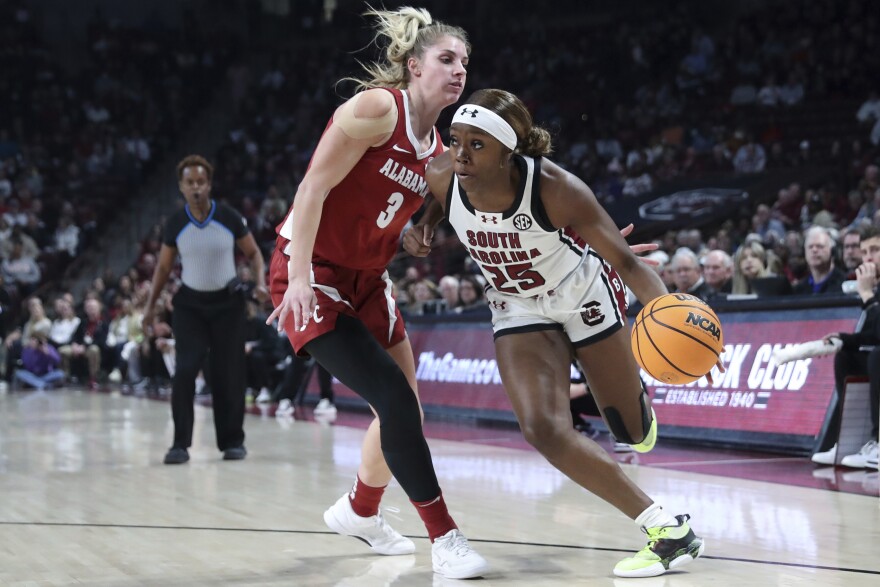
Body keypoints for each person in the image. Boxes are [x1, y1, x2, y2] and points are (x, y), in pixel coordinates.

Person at [406, 89, 710, 578]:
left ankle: (635, 402)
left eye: (476, 145)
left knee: (631, 433)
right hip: (517, 304)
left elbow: (628, 261)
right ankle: (667, 529)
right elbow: (436, 206)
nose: (460, 153)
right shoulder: (443, 175)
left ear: (509, 152)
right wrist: (421, 226)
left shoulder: (557, 188)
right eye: (455, 139)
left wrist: (674, 318)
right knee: (543, 428)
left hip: (582, 291)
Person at [265, 7, 488, 579]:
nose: (459, 70)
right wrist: (296, 278)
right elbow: (313, 188)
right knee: (391, 397)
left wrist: (409, 232)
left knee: (404, 405)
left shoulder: (436, 149)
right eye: (446, 59)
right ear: (414, 67)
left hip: (367, 280)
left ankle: (360, 512)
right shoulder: (374, 110)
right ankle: (446, 539)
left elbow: (381, 202)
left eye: (464, 62)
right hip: (313, 272)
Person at [143, 154, 267, 465]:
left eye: (201, 181)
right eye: (190, 183)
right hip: (190, 306)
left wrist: (260, 282)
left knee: (230, 373)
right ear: (181, 188)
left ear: (209, 184)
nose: (196, 187)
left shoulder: (228, 217)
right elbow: (163, 268)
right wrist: (149, 309)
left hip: (228, 305)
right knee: (185, 369)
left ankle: (232, 442)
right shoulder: (175, 223)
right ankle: (180, 445)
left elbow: (254, 254)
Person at [811, 225, 880, 470]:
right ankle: (851, 442)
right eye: (865, 251)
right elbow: (873, 334)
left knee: (877, 358)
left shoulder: (869, 289)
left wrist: (867, 296)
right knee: (847, 356)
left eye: (875, 249)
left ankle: (878, 440)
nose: (869, 257)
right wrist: (843, 339)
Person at [792, 226, 846, 295]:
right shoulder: (799, 290)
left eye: (820, 246)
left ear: (832, 251)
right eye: (810, 247)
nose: (814, 250)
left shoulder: (844, 284)